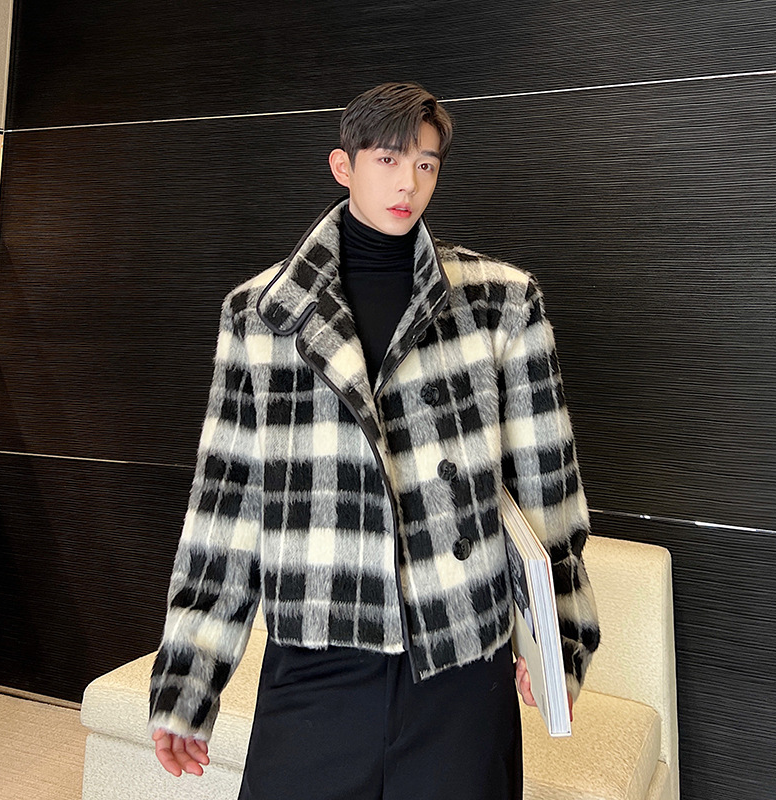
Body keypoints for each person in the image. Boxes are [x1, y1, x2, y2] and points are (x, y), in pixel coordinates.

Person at [148, 81, 600, 800]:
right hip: (317, 652)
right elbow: (225, 509)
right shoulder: (261, 314)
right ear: (343, 166)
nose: (407, 183)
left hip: (460, 656)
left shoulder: (501, 301)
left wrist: (559, 642)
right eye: (388, 159)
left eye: (425, 164)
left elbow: (550, 484)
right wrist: (188, 681)